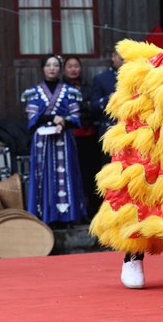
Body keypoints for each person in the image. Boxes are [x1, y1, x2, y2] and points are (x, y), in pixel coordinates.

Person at [22, 54, 87, 226]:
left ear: (60, 68)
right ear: (43, 68)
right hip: (42, 143)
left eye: (55, 65)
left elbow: (76, 118)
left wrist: (63, 122)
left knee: (66, 175)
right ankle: (44, 216)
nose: (52, 68)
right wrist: (53, 117)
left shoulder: (70, 92)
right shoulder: (33, 93)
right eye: (48, 65)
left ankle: (68, 217)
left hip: (63, 139)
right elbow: (31, 119)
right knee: (43, 175)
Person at [64, 56, 101, 217]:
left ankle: (93, 209)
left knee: (91, 173)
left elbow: (92, 108)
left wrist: (84, 108)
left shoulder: (87, 86)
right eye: (69, 66)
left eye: (76, 66)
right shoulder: (61, 88)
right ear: (64, 69)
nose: (73, 69)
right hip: (71, 136)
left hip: (89, 135)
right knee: (74, 173)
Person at [91, 48, 123, 139]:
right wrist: (108, 98)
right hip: (110, 130)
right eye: (122, 59)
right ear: (113, 56)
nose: (125, 62)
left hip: (134, 130)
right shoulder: (101, 78)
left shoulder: (137, 79)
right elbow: (94, 106)